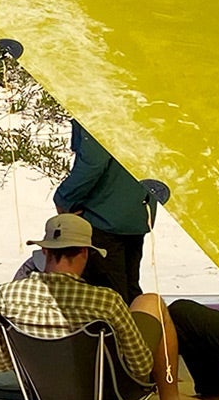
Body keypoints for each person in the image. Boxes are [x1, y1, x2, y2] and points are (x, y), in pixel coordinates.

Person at [0, 213, 199, 400]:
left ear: (45, 251)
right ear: (85, 252)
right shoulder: (105, 301)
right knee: (150, 301)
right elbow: (140, 366)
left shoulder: (5, 295)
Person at [53, 121, 153, 304]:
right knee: (130, 291)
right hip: (136, 213)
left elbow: (94, 161)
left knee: (107, 298)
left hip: (102, 217)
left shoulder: (95, 106)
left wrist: (64, 198)